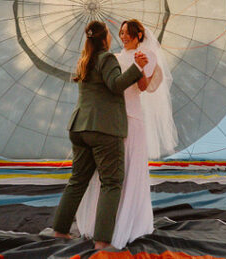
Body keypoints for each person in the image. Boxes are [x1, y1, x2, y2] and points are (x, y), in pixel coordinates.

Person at [74, 19, 178, 249]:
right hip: (111, 121)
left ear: (139, 34)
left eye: (127, 33)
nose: (123, 37)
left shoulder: (147, 55)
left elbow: (142, 87)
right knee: (109, 172)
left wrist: (139, 67)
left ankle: (128, 224)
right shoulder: (114, 57)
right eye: (120, 33)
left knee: (129, 169)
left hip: (132, 119)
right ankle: (102, 222)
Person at [51, 20, 148, 251]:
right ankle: (102, 242)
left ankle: (59, 230)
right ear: (105, 39)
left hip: (79, 127)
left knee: (77, 180)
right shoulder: (106, 58)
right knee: (112, 183)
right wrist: (137, 67)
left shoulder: (84, 60)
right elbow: (116, 85)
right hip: (103, 130)